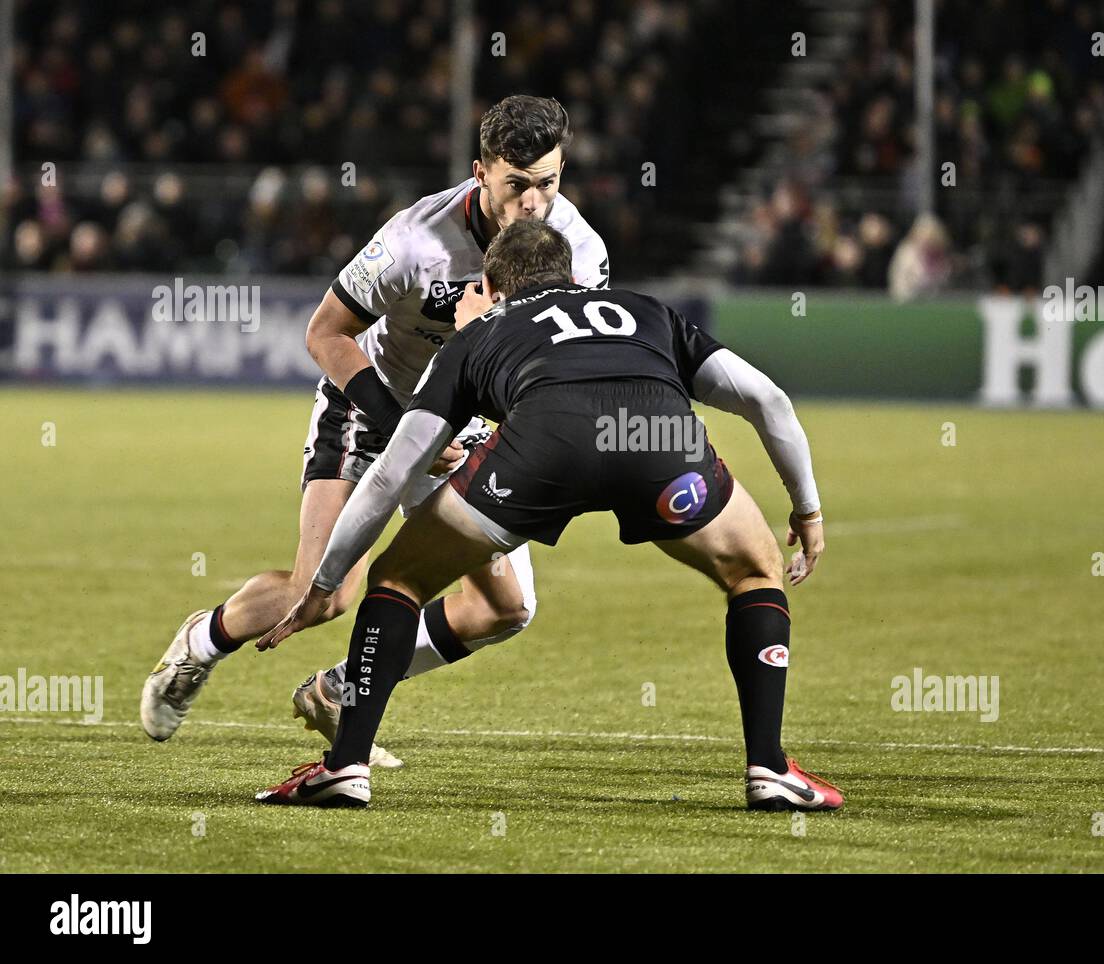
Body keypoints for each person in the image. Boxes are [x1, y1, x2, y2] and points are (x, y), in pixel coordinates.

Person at [254, 219, 842, 811]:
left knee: (398, 580)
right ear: (576, 277)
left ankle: (346, 767)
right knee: (755, 571)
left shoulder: (477, 334)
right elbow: (767, 400)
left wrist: (325, 584)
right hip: (655, 438)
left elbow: (392, 472)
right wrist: (808, 508)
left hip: (544, 447)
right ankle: (768, 768)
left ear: (489, 282)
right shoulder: (646, 310)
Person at [141, 97, 609, 769]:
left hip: (463, 424)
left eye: (549, 182)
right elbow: (325, 333)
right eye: (517, 185)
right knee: (325, 592)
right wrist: (402, 429)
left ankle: (340, 690)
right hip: (374, 408)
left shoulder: (579, 251)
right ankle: (202, 642)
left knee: (506, 608)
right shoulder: (414, 241)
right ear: (481, 174)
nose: (535, 203)